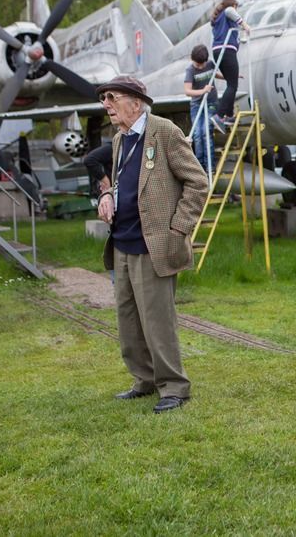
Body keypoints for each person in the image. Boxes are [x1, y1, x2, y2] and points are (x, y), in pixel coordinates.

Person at [95, 75, 208, 413]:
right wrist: (106, 195)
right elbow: (121, 182)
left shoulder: (165, 132)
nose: (106, 105)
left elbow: (198, 182)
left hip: (154, 244)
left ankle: (174, 386)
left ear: (136, 101)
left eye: (112, 98)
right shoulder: (119, 140)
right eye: (105, 99)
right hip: (122, 242)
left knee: (158, 321)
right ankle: (143, 379)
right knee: (128, 320)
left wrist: (179, 228)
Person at [210, 0, 250, 127]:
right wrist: (244, 24)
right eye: (236, 7)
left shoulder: (217, 20)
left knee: (231, 84)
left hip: (218, 52)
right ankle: (219, 115)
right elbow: (229, 11)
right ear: (233, 6)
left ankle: (229, 115)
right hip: (226, 50)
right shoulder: (227, 12)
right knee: (233, 86)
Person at [183, 44, 221, 174]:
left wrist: (232, 77)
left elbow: (217, 74)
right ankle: (200, 166)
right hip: (197, 105)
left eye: (201, 65)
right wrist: (203, 91)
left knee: (206, 132)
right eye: (197, 64)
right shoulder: (190, 70)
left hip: (211, 103)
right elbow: (187, 91)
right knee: (197, 135)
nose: (199, 67)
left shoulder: (210, 64)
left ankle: (210, 166)